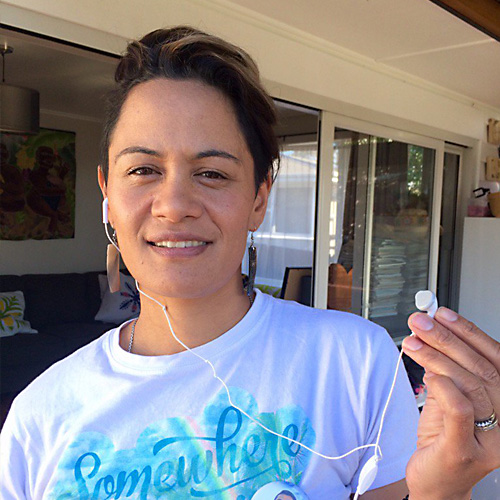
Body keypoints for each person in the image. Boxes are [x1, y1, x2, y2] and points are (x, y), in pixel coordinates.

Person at [1, 26, 499, 500]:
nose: (174, 205)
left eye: (212, 173)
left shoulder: (353, 362)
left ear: (259, 199)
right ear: (108, 195)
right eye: (144, 169)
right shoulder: (37, 417)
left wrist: (444, 488)